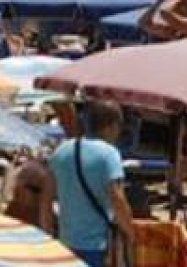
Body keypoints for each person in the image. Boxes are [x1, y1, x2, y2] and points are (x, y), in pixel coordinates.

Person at [40, 100, 136, 267]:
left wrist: (48, 236)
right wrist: (131, 233)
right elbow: (118, 199)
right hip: (95, 246)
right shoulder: (109, 154)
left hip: (66, 245)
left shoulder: (61, 151)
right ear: (112, 126)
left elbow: (45, 200)